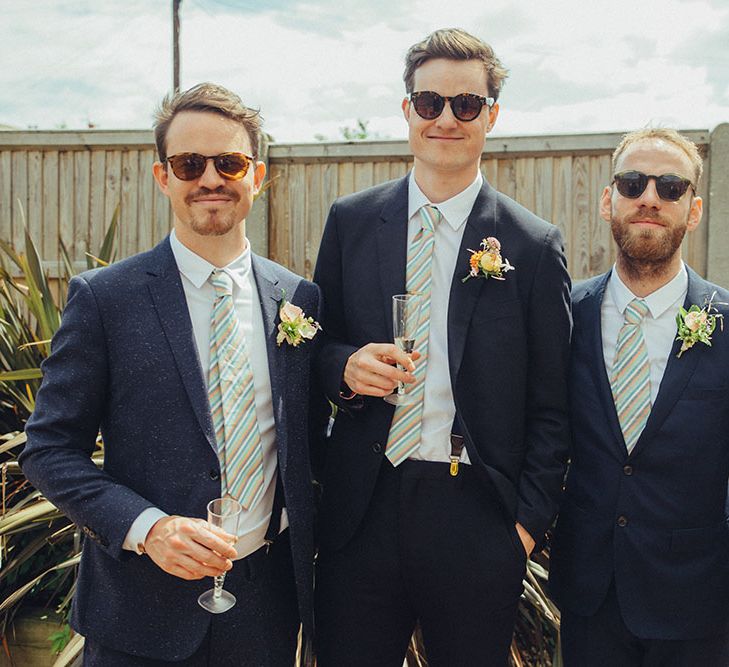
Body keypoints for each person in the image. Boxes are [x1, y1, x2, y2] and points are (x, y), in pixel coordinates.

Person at [20, 83, 326, 666]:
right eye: (189, 163)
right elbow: (49, 447)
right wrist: (148, 528)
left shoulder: (297, 299)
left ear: (256, 176)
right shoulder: (105, 299)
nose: (210, 178)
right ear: (164, 178)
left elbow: (309, 441)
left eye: (229, 162)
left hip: (264, 615)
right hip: (139, 617)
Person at [312, 28, 571, 667]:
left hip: (476, 516)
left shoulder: (533, 247)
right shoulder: (349, 221)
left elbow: (553, 406)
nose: (446, 119)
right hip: (362, 509)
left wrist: (523, 530)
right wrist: (343, 366)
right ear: (407, 111)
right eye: (430, 103)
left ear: (491, 116)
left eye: (465, 104)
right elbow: (314, 348)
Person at [549, 128, 729, 666]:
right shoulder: (565, 316)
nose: (649, 197)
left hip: (699, 603)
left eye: (670, 187)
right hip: (590, 596)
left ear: (693, 211)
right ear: (609, 200)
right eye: (632, 183)